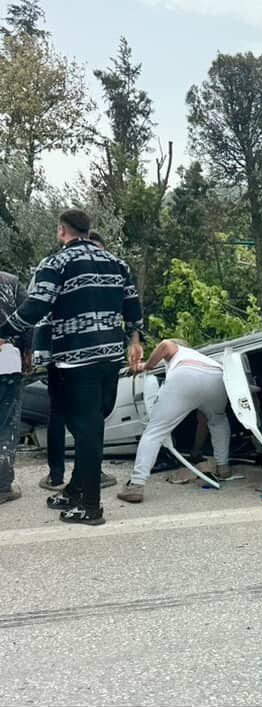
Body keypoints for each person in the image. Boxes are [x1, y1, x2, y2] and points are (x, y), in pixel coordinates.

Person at [0, 210, 143, 525]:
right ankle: (75, 489)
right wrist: (135, 339)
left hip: (75, 360)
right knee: (91, 427)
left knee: (86, 430)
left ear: (61, 231)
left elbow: (36, 307)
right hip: (110, 358)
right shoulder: (117, 264)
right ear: (88, 231)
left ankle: (90, 506)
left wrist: (5, 332)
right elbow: (133, 307)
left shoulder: (56, 264)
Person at [35, 230, 117, 491]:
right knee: (84, 414)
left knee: (67, 412)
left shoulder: (52, 266)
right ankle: (84, 476)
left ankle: (64, 475)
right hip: (77, 353)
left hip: (64, 351)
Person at [117, 339, 231, 503]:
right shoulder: (202, 357)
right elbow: (203, 422)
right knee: (218, 421)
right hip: (217, 377)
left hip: (185, 374)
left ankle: (136, 485)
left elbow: (165, 345)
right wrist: (196, 452)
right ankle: (223, 467)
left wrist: (147, 366)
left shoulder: (178, 350)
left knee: (155, 432)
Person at [0, 271, 32, 505]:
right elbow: (28, 318)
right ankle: (2, 485)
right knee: (6, 423)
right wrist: (27, 352)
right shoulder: (10, 282)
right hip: (6, 360)